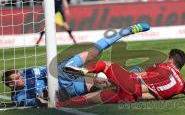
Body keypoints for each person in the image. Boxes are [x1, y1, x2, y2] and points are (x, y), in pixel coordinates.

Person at [2, 23, 150, 106]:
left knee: (92, 54)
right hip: (65, 90)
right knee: (108, 84)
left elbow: (43, 70)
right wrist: (44, 95)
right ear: (10, 85)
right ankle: (137, 73)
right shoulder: (19, 98)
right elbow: (39, 102)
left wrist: (48, 75)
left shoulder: (27, 73)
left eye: (19, 74)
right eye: (17, 78)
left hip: (60, 75)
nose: (20, 77)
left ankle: (124, 32)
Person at [58, 49, 185, 107]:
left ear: (171, 60)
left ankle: (82, 70)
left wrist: (122, 76)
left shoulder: (163, 67)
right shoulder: (182, 86)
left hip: (131, 84)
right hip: (132, 98)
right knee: (93, 99)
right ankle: (59, 104)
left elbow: (142, 75)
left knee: (106, 65)